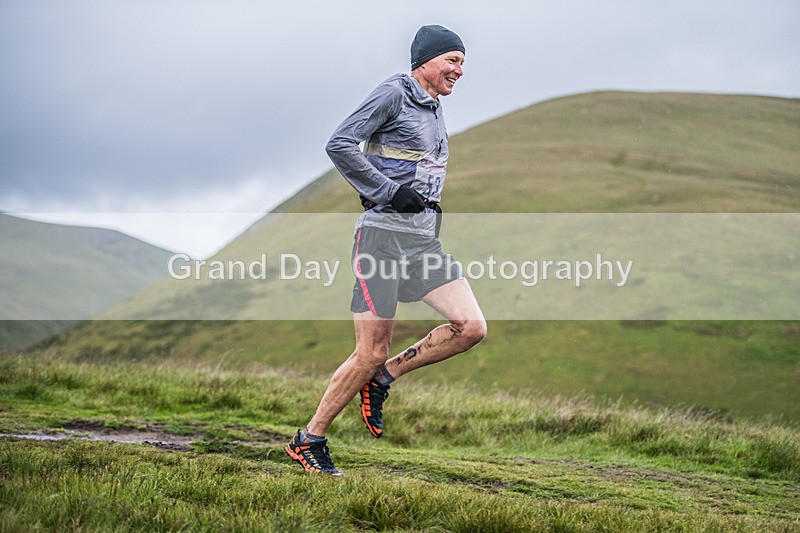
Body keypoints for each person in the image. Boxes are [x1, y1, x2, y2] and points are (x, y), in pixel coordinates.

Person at [285, 24, 486, 476]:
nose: (459, 70)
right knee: (370, 349)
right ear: (426, 61)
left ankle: (384, 378)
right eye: (453, 60)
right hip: (380, 237)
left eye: (463, 63)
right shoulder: (394, 93)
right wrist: (387, 190)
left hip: (422, 241)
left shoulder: (433, 108)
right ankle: (308, 439)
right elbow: (339, 143)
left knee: (470, 327)